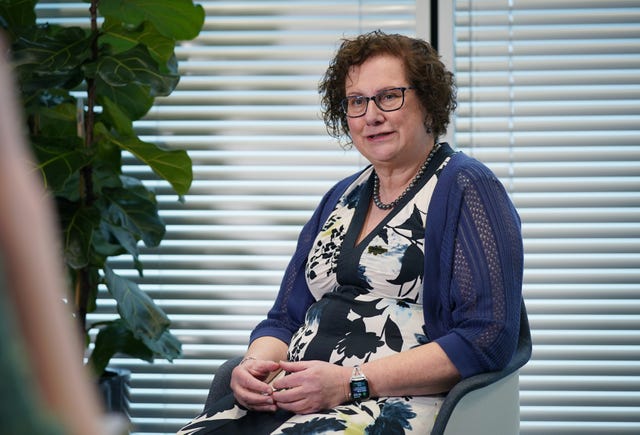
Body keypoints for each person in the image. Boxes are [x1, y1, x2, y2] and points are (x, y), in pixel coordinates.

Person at [179, 30, 524, 434]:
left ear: (428, 102)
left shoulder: (468, 186)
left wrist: (349, 383)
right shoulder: (341, 195)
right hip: (290, 399)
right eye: (357, 102)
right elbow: (283, 318)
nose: (371, 115)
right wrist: (253, 367)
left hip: (387, 406)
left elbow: (487, 338)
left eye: (389, 96)